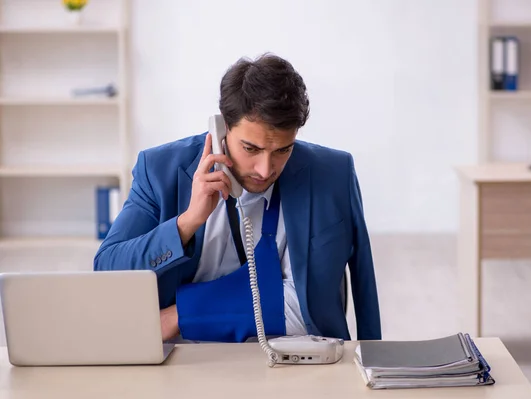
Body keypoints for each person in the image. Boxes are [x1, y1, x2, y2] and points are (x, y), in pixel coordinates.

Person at [94, 53, 381, 343]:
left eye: (283, 150)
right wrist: (187, 222)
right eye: (251, 148)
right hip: (184, 365)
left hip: (298, 364)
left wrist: (180, 314)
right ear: (222, 129)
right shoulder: (159, 170)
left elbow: (307, 308)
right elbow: (108, 271)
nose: (266, 170)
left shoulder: (332, 174)